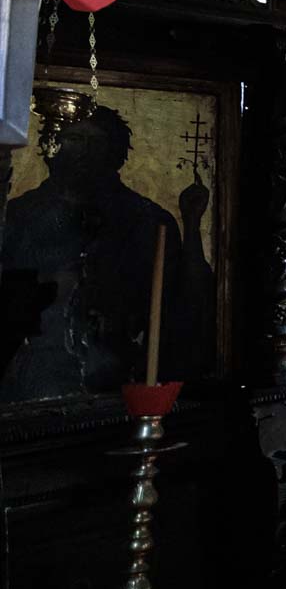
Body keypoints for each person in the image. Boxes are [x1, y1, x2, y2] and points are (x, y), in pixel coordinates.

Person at [1, 105, 214, 398]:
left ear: (114, 153)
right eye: (74, 139)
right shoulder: (19, 216)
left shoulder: (148, 221)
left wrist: (191, 226)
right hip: (37, 378)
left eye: (95, 142)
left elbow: (182, 307)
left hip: (120, 376)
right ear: (52, 145)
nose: (83, 153)